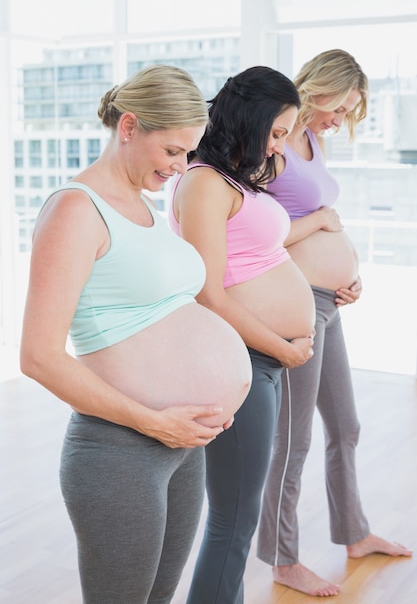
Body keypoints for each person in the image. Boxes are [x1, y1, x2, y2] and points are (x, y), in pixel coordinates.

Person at [19, 64, 253, 604]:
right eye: (171, 151)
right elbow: (38, 356)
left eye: (188, 153)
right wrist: (155, 422)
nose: (180, 166)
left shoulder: (143, 208)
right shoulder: (76, 210)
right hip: (120, 451)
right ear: (129, 128)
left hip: (181, 446)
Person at [257, 49, 413, 597]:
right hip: (295, 305)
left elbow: (317, 227)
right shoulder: (268, 145)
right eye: (340, 107)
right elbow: (253, 237)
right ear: (317, 88)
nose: (339, 120)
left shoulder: (313, 142)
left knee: (344, 426)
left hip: (329, 301)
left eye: (349, 112)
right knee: (293, 440)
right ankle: (281, 558)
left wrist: (348, 275)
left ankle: (354, 531)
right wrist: (322, 222)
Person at [169, 66, 316, 604]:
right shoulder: (204, 181)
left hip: (266, 361)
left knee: (240, 514)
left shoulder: (233, 178)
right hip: (243, 359)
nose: (281, 146)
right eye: (276, 132)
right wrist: (281, 346)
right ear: (249, 119)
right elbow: (209, 292)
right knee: (233, 517)